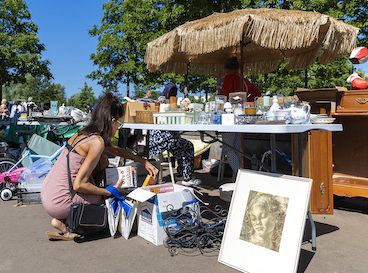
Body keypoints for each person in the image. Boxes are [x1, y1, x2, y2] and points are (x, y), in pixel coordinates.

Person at [41, 93, 158, 240]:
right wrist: (107, 192)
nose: (118, 128)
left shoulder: (84, 133)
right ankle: (69, 223)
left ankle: (62, 219)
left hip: (48, 191)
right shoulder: (97, 142)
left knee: (103, 160)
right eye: (119, 124)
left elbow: (115, 150)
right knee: (102, 203)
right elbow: (79, 184)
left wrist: (143, 162)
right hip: (59, 201)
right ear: (113, 121)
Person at [148, 84, 201, 186]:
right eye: (173, 93)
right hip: (163, 140)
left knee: (181, 144)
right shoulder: (166, 103)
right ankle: (186, 178)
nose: (174, 95)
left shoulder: (159, 102)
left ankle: (182, 173)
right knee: (188, 146)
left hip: (154, 140)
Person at [219, 57, 262, 178]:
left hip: (230, 116)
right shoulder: (244, 81)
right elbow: (258, 93)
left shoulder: (229, 78)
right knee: (237, 147)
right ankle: (236, 175)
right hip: (243, 116)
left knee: (228, 148)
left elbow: (223, 96)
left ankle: (238, 173)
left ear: (226, 68)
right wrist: (248, 102)